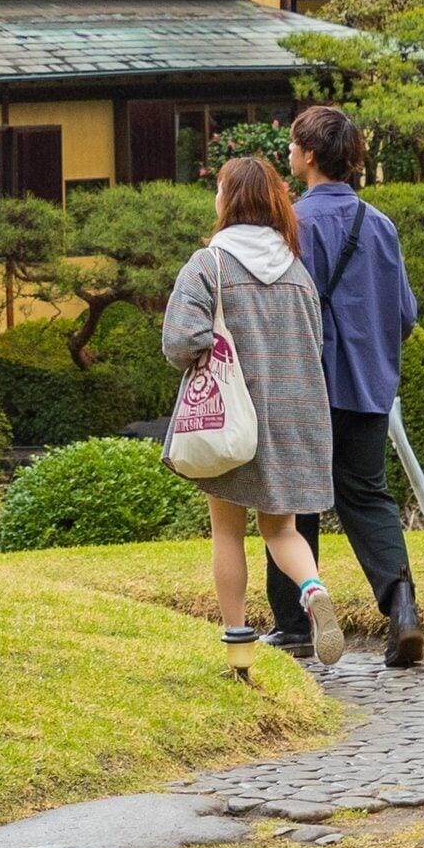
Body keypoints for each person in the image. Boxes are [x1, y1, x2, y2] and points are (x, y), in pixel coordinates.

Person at [160, 154, 344, 667]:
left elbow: (180, 342)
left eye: (219, 190)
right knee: (281, 529)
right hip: (293, 416)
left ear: (229, 201)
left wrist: (209, 350)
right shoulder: (296, 270)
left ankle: (238, 642)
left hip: (232, 419)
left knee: (226, 530)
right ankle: (312, 590)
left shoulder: (210, 265)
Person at [266, 105, 424, 667]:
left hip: (309, 385)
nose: (288, 154)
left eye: (292, 145)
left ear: (309, 156)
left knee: (291, 501)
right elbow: (405, 313)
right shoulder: (381, 225)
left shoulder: (292, 224)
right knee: (368, 495)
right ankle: (402, 607)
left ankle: (293, 626)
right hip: (370, 387)